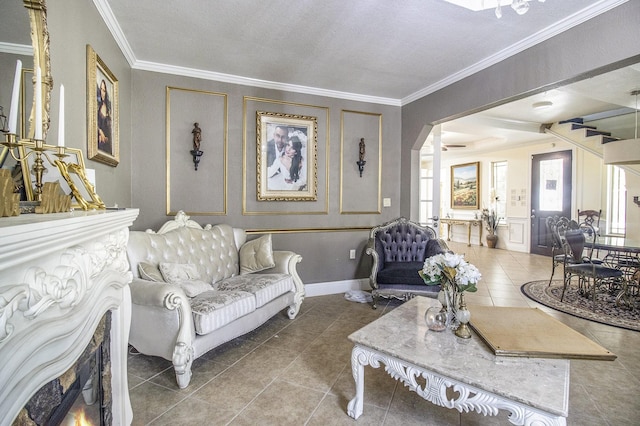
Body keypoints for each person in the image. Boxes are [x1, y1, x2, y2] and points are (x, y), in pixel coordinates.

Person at [97, 79, 112, 154]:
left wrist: (106, 138)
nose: (102, 93)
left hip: (107, 145)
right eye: (101, 90)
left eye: (104, 90)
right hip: (99, 142)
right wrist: (100, 131)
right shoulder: (98, 107)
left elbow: (110, 132)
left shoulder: (109, 110)